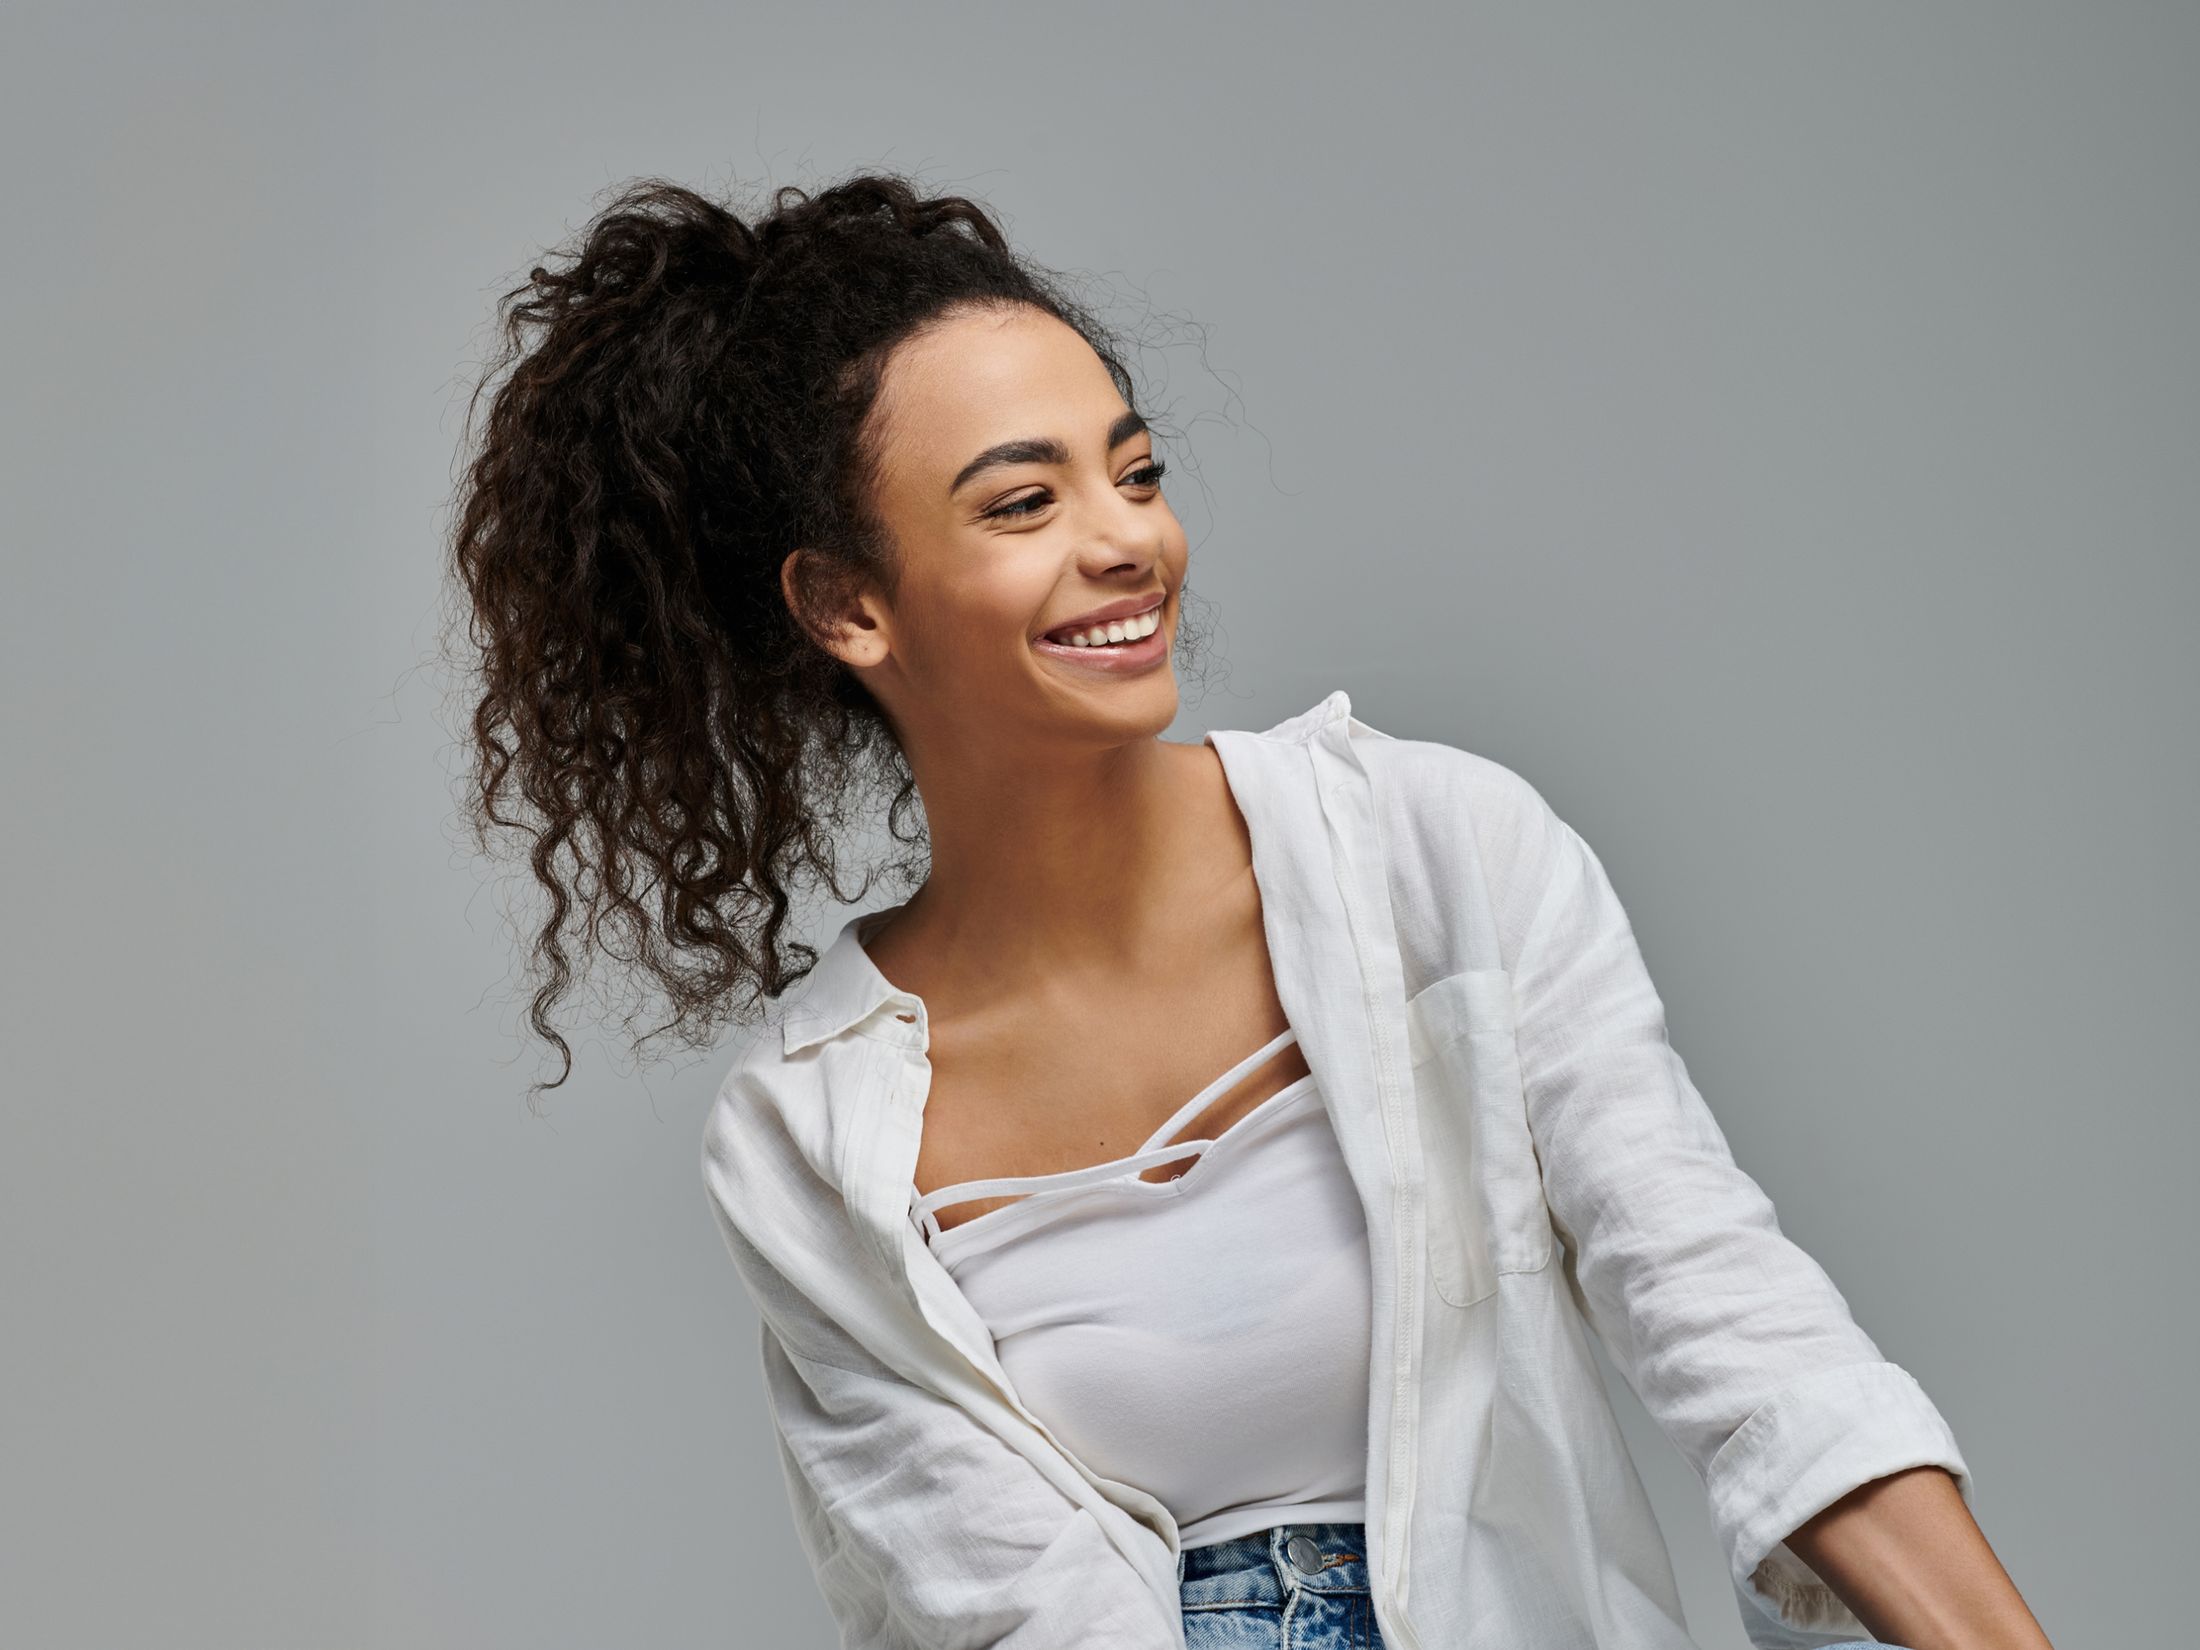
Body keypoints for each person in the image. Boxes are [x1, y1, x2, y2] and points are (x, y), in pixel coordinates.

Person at [446, 170, 2056, 1650]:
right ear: (846, 603)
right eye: (1023, 504)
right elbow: (1020, 1605)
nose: (1126, 540)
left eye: (1133, 471)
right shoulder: (809, 1135)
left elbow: (1742, 1332)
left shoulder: (1436, 854)